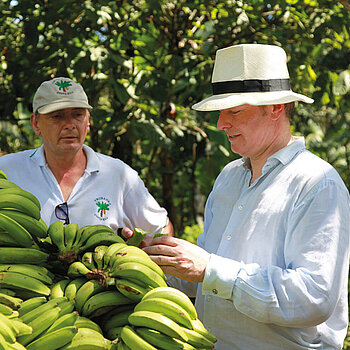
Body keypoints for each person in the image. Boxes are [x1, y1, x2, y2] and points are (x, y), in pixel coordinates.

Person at [143, 44, 350, 349]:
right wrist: (157, 258)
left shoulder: (317, 183)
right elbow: (202, 280)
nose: (221, 123)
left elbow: (313, 297)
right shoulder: (229, 177)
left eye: (235, 111)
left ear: (276, 108)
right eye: (220, 111)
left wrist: (211, 269)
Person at [0, 77, 173, 239]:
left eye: (77, 115)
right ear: (36, 124)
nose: (69, 125)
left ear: (88, 122)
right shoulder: (8, 170)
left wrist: (145, 253)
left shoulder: (118, 174)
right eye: (57, 116)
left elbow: (162, 228)